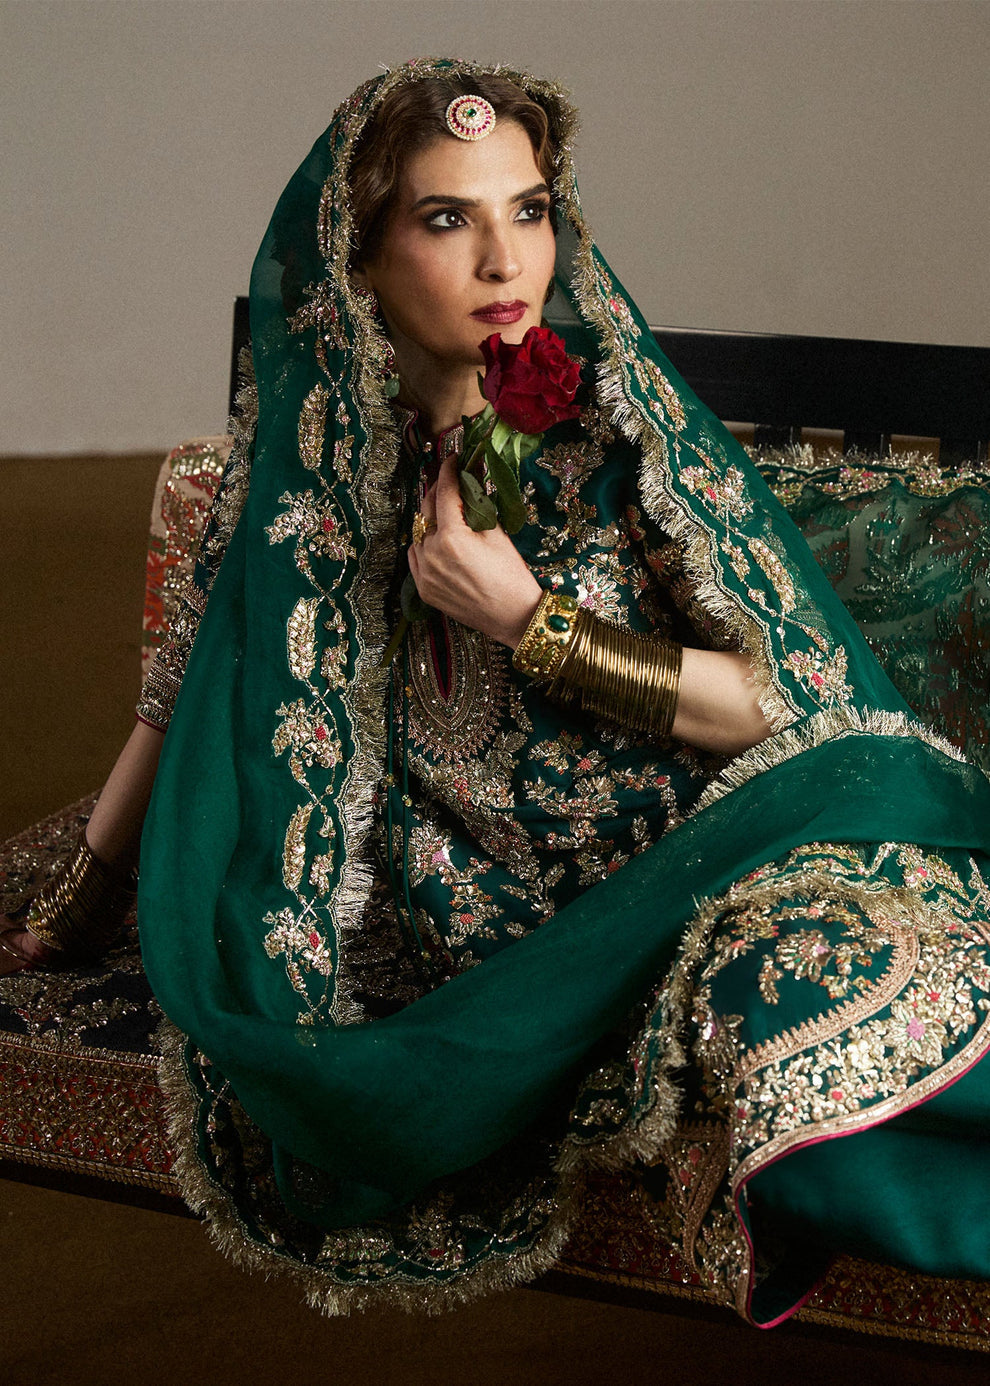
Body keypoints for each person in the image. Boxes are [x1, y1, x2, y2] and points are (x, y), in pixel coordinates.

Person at [3, 57, 990, 1325]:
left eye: (528, 210)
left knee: (810, 1002)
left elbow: (793, 706)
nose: (504, 259)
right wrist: (78, 911)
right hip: (534, 956)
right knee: (804, 1116)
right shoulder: (304, 471)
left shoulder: (610, 433)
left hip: (729, 858)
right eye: (445, 218)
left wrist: (535, 626)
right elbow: (180, 691)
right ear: (360, 257)